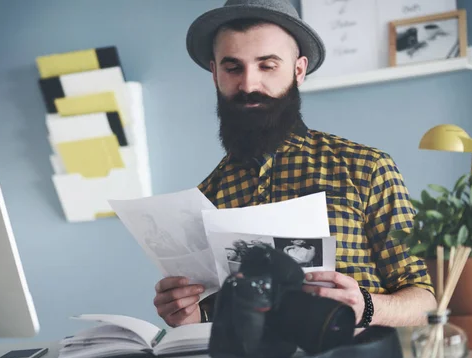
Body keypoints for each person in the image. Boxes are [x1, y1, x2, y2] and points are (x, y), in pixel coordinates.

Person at [153, 0, 437, 329]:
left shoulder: (368, 169)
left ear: (298, 70)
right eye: (233, 68)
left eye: (267, 65)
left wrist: (367, 306)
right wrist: (192, 314)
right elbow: (216, 320)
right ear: (215, 74)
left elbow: (428, 303)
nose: (248, 85)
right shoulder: (205, 198)